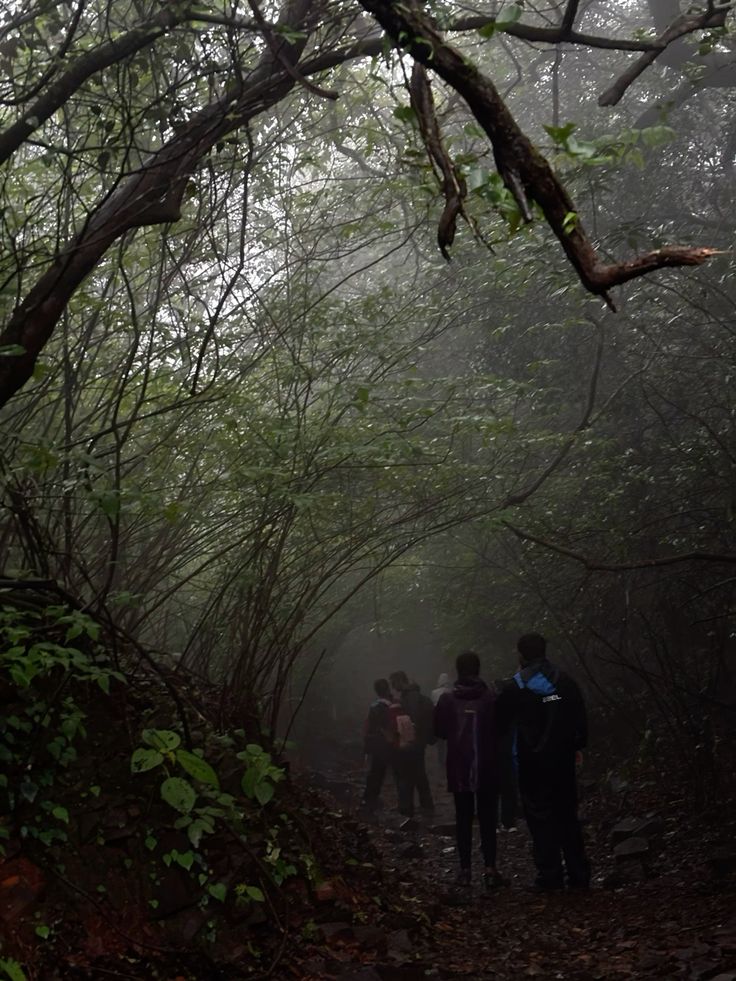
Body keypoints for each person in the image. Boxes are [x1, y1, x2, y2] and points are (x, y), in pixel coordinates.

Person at [498, 633, 590, 892]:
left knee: (540, 819)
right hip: (562, 760)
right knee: (567, 816)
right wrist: (577, 745)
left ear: (521, 654)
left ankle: (550, 876)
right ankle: (579, 874)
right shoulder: (565, 681)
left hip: (531, 762)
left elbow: (500, 724)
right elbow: (579, 718)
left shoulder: (515, 686)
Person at [434, 650, 505, 891]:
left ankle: (465, 870)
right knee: (488, 818)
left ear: (457, 670)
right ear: (478, 669)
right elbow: (502, 730)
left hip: (458, 767)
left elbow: (440, 731)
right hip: (488, 765)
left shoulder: (447, 699)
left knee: (462, 818)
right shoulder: (491, 697)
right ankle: (490, 868)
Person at [388, 670, 435, 818]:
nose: (393, 687)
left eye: (393, 683)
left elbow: (410, 720)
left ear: (400, 681)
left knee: (405, 776)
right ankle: (427, 805)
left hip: (409, 742)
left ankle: (407, 810)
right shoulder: (422, 698)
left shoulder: (407, 699)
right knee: (420, 773)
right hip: (420, 742)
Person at [362, 679, 396, 811]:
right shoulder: (392, 705)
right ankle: (371, 799)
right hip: (388, 743)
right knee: (381, 773)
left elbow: (369, 727)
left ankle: (370, 798)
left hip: (377, 744)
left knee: (376, 772)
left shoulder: (374, 706)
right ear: (387, 689)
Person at [431, 672, 453, 769]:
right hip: (449, 719)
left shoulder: (434, 692)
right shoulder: (451, 691)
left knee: (440, 743)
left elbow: (433, 706)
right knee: (450, 741)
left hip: (439, 719)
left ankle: (441, 761)